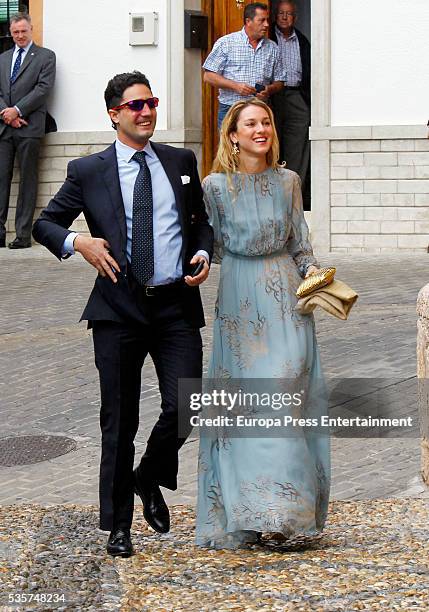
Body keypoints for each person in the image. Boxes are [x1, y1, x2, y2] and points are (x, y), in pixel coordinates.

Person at [33, 71, 213, 557]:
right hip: (117, 310)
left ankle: (148, 476)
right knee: (120, 422)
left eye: (151, 102)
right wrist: (80, 243)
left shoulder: (180, 161)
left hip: (175, 306)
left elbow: (199, 225)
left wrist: (202, 255)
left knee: (187, 404)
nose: (147, 111)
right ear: (114, 114)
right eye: (136, 106)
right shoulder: (88, 170)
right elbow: (43, 224)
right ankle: (118, 526)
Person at [195, 99, 330, 549]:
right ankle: (250, 512)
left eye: (266, 122)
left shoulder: (289, 181)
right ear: (232, 135)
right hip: (238, 301)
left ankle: (285, 513)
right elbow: (206, 246)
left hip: (287, 301)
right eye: (250, 124)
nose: (261, 129)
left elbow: (300, 242)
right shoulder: (214, 187)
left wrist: (316, 277)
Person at [0, 12, 56, 249]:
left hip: (30, 127)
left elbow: (43, 89)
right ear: (10, 33)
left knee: (27, 181)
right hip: (4, 127)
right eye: (15, 32)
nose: (20, 36)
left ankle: (22, 235)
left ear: (31, 29)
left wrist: (18, 111)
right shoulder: (2, 58)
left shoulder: (46, 56)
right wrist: (7, 113)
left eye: (23, 31)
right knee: (1, 180)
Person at [202, 2, 285, 130]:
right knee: (233, 149)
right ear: (248, 21)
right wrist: (236, 86)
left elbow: (280, 82)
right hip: (231, 109)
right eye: (261, 20)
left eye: (267, 20)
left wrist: (269, 89)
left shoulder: (273, 48)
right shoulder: (226, 43)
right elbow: (208, 76)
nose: (267, 24)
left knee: (257, 149)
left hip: (260, 111)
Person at [270, 1, 311, 208]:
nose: (285, 17)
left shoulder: (302, 41)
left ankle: (294, 196)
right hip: (272, 97)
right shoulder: (267, 38)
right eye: (281, 13)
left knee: (297, 147)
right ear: (275, 16)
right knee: (271, 143)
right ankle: (272, 196)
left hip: (296, 95)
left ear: (295, 18)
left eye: (289, 14)